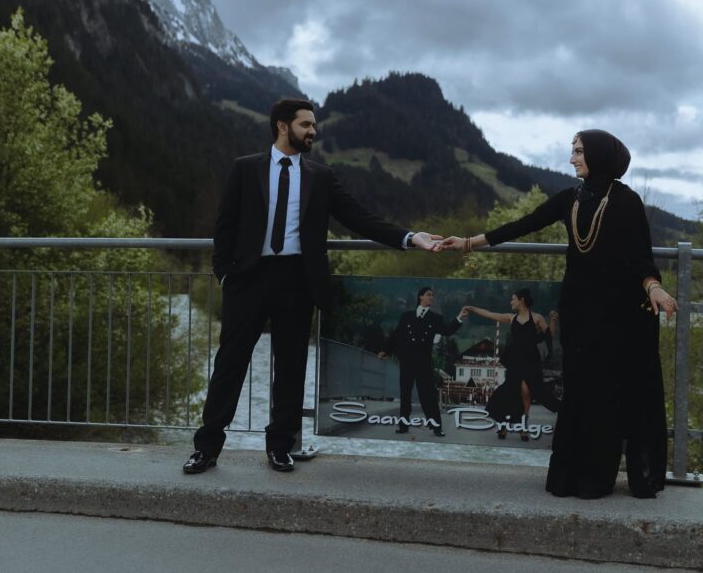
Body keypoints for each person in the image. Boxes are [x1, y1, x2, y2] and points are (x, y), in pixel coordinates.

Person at [184, 98, 441, 475]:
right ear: (282, 126)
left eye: (313, 125)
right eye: (306, 125)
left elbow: (359, 218)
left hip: (297, 282)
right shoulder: (245, 169)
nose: (313, 132)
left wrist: (408, 236)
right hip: (249, 281)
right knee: (230, 365)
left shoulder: (321, 177)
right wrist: (226, 275)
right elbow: (224, 226)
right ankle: (206, 448)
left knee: (290, 367)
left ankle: (280, 447)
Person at [440, 130, 677, 498]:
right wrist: (470, 242)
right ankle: (575, 474)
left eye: (579, 151)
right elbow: (524, 224)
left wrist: (655, 288)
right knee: (580, 390)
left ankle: (600, 478)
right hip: (579, 311)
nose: (572, 159)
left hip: (617, 317)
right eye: (573, 151)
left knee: (608, 392)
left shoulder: (626, 201)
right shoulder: (571, 198)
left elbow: (640, 257)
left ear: (599, 155)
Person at [463, 289, 559, 441]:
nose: (511, 302)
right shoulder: (511, 317)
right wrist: (473, 309)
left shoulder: (537, 317)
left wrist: (553, 320)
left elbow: (549, 336)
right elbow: (490, 314)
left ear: (521, 300)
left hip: (530, 360)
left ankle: (523, 426)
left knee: (527, 393)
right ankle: (504, 426)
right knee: (510, 392)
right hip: (515, 359)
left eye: (513, 299)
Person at [378, 288, 466, 437]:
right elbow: (396, 335)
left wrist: (459, 318)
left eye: (432, 295)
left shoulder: (435, 318)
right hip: (407, 360)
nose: (431, 297)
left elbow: (447, 331)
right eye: (428, 295)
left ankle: (437, 427)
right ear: (420, 297)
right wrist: (385, 350)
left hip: (424, 362)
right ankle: (403, 426)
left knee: (428, 395)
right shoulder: (406, 316)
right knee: (405, 394)